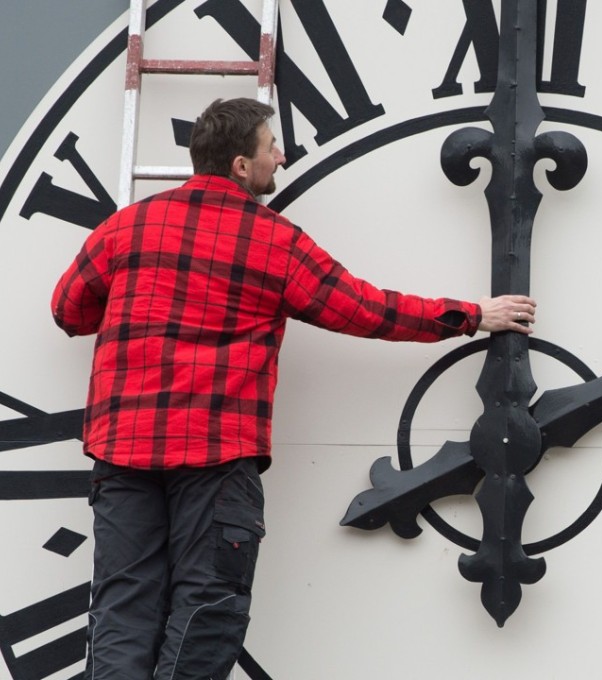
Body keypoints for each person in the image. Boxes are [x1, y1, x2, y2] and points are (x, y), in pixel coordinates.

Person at [51, 97, 536, 679]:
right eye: (270, 147)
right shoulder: (273, 242)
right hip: (216, 457)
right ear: (239, 166)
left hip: (123, 451)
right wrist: (469, 315)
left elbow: (68, 309)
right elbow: (364, 309)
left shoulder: (127, 226)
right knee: (207, 608)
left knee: (122, 608)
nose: (280, 155)